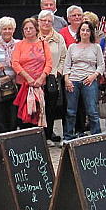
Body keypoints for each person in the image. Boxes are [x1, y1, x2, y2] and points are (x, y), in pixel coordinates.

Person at [63, 19, 104, 139]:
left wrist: (93, 76)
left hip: (89, 81)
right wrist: (67, 79)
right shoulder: (72, 47)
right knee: (71, 111)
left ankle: (96, 136)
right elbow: (67, 65)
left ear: (91, 32)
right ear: (79, 32)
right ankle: (68, 136)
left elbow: (101, 65)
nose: (85, 32)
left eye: (87, 30)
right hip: (73, 81)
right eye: (82, 30)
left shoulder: (96, 47)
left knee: (92, 111)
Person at [11, 17, 51, 129]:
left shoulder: (44, 44)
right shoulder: (19, 45)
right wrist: (28, 78)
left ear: (36, 29)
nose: (28, 30)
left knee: (39, 113)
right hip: (24, 85)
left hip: (40, 85)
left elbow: (49, 63)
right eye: (25, 28)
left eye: (31, 28)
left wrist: (41, 78)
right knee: (25, 115)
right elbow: (15, 63)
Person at [38, 10, 67, 144]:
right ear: (38, 22)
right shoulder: (33, 36)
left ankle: (48, 135)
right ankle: (37, 135)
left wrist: (58, 72)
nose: (46, 23)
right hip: (36, 79)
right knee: (37, 108)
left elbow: (63, 57)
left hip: (52, 78)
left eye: (49, 21)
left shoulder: (59, 38)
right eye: (43, 20)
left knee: (50, 108)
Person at [0, 16, 19, 135]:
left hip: (15, 83)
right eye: (4, 29)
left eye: (10, 28)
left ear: (14, 30)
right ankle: (0, 140)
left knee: (13, 113)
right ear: (0, 30)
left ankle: (12, 138)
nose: (7, 31)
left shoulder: (19, 43)